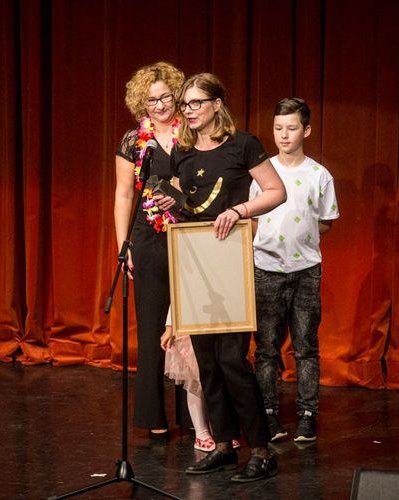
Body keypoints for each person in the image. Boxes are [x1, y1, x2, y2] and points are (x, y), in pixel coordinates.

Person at [158, 73, 287, 483]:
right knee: (207, 362)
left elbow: (276, 191)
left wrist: (239, 211)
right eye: (186, 104)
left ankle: (262, 450)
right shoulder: (182, 153)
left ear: (217, 104)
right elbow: (186, 204)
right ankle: (225, 446)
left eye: (197, 102)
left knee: (232, 359)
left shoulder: (242, 144)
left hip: (229, 260)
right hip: (194, 261)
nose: (189, 110)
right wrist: (168, 203)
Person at [249, 97, 339, 442]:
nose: (284, 135)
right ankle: (268, 413)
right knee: (266, 348)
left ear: (306, 130)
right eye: (278, 128)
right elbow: (252, 217)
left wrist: (301, 237)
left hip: (305, 271)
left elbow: (326, 221)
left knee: (306, 346)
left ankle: (307, 415)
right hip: (266, 268)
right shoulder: (262, 172)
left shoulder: (319, 175)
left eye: (291, 128)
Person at [113, 62, 185, 438]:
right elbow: (124, 194)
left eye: (165, 97)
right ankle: (154, 415)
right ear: (142, 103)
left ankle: (193, 415)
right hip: (147, 236)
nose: (159, 105)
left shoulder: (191, 133)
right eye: (151, 100)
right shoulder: (133, 140)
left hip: (188, 234)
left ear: (176, 95)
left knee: (189, 326)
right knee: (152, 326)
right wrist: (122, 245)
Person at [160, 313, 241, 452]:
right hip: (192, 325)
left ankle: (222, 432)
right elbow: (178, 299)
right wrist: (170, 325)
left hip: (217, 323)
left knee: (220, 376)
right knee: (195, 379)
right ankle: (201, 432)